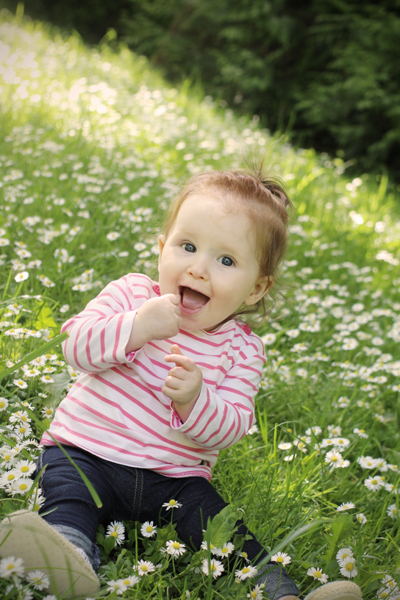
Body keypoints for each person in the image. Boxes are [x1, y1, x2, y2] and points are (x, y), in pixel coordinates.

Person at [0, 168, 362, 600]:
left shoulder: (243, 350)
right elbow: (75, 347)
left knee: (223, 528)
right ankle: (66, 559)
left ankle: (281, 593)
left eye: (226, 260)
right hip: (84, 453)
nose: (199, 268)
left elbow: (230, 426)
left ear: (256, 288)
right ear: (161, 247)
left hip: (175, 480)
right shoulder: (131, 295)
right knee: (65, 492)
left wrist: (196, 400)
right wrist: (136, 327)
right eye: (187, 246)